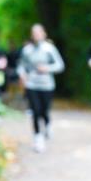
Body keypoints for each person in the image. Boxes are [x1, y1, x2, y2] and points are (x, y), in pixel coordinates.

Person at [17, 24, 65, 153]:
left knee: (44, 111)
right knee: (35, 111)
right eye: (34, 33)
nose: (36, 35)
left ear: (44, 34)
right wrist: (22, 74)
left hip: (46, 85)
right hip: (31, 84)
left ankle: (47, 124)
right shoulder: (27, 50)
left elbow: (60, 65)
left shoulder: (49, 49)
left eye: (39, 33)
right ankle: (38, 137)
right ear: (32, 35)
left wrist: (47, 68)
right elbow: (21, 65)